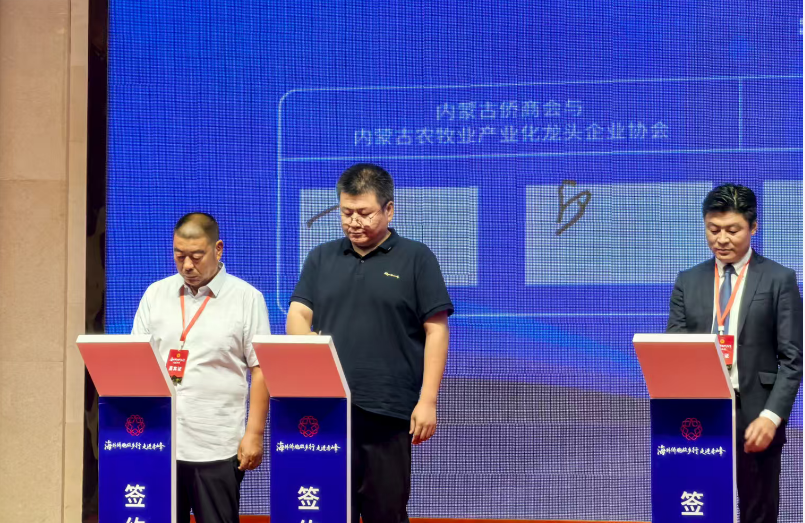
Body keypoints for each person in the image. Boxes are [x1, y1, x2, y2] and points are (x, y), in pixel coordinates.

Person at [286, 164, 453, 523]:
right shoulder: (321, 257)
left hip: (388, 411)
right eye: (346, 213)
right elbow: (298, 314)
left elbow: (437, 330)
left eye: (364, 213)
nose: (353, 222)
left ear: (389, 209)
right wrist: (305, 342)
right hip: (327, 411)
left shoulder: (416, 258)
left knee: (385, 513)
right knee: (327, 512)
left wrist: (428, 400)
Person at [667, 183, 802, 523]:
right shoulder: (688, 281)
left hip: (756, 416)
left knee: (758, 513)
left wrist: (772, 417)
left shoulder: (779, 279)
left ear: (753, 227)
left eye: (732, 230)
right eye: (713, 230)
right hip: (699, 416)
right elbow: (675, 348)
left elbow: (793, 360)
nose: (721, 239)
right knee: (700, 509)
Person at [132, 212, 270, 523]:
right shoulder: (156, 294)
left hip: (217, 444)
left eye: (196, 256)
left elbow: (261, 369)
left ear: (218, 249)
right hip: (161, 442)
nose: (187, 266)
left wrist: (254, 433)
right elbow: (136, 361)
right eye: (179, 255)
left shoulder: (246, 298)